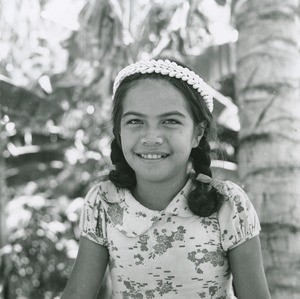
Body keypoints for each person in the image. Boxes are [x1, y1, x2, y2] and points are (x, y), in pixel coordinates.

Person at [61, 59, 271, 299]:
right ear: (119, 132)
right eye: (135, 121)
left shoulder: (228, 205)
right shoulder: (104, 202)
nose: (151, 137)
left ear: (197, 133)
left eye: (170, 121)